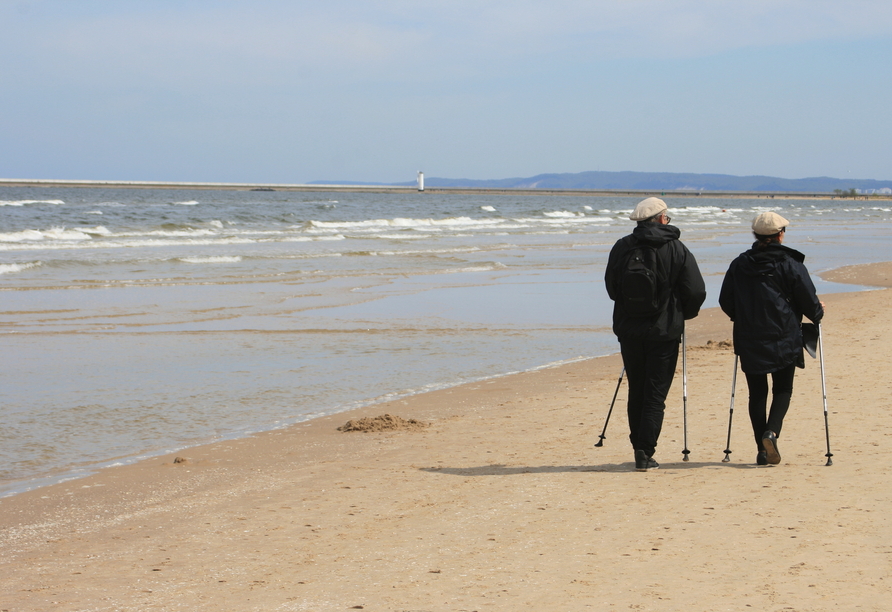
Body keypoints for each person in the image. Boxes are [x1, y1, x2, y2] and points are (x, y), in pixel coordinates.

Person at [605, 197, 706, 471]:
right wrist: (683, 313)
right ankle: (645, 451)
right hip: (664, 330)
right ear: (662, 219)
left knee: (637, 387)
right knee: (655, 393)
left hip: (629, 329)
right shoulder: (676, 248)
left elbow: (612, 288)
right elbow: (696, 290)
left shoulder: (622, 247)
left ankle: (638, 446)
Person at [719, 211, 824, 466]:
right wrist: (818, 312)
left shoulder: (740, 263)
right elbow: (809, 302)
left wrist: (743, 316)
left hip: (749, 335)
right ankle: (771, 433)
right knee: (783, 389)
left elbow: (725, 301)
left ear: (756, 235)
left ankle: (762, 449)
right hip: (784, 335)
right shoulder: (790, 264)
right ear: (780, 235)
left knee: (757, 394)